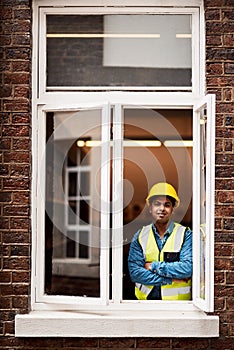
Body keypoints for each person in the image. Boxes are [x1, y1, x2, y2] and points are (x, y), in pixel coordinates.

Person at [128, 182, 192, 300]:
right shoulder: (140, 235)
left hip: (178, 306)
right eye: (157, 204)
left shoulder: (186, 235)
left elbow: (187, 269)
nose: (162, 209)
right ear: (150, 208)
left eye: (167, 205)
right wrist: (169, 279)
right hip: (145, 303)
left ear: (172, 209)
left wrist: (153, 266)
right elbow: (135, 272)